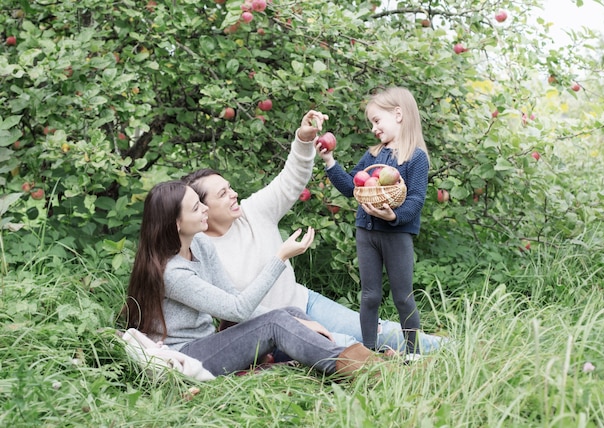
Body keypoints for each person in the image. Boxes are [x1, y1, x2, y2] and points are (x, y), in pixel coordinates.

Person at [183, 109, 444, 355]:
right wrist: (293, 322)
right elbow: (235, 310)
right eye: (223, 193)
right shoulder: (201, 252)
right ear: (202, 209)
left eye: (230, 187)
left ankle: (455, 348)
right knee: (349, 346)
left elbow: (291, 179)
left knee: (381, 333)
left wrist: (303, 140)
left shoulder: (253, 212)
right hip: (270, 332)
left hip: (305, 302)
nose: (234, 193)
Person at [123, 180, 380, 378]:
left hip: (209, 341)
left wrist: (294, 319)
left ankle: (362, 360)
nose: (205, 208)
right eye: (196, 207)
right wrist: (279, 258)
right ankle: (368, 371)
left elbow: (233, 297)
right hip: (189, 354)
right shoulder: (173, 273)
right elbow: (238, 309)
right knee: (277, 321)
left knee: (289, 313)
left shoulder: (199, 243)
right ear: (177, 224)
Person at [316, 87, 430, 358]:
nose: (374, 128)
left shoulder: (416, 158)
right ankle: (368, 351)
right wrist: (329, 161)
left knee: (403, 297)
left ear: (398, 114)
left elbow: (415, 200)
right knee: (370, 296)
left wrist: (394, 216)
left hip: (396, 235)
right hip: (366, 233)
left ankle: (412, 354)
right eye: (372, 123)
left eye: (377, 121)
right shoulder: (373, 156)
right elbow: (352, 187)